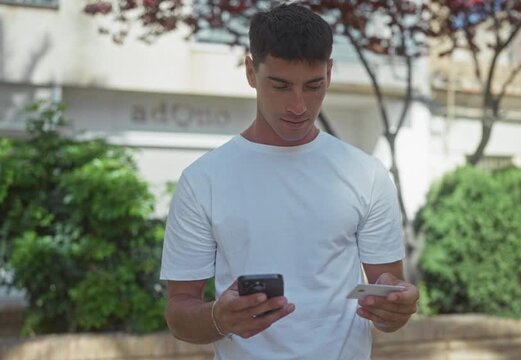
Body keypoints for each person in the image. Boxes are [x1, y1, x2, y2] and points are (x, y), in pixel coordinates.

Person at [160, 3, 419, 359]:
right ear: (251, 72)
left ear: (329, 73)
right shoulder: (202, 180)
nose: (299, 106)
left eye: (313, 86)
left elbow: (386, 305)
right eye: (280, 85)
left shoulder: (367, 174)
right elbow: (179, 314)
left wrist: (394, 304)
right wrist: (219, 319)